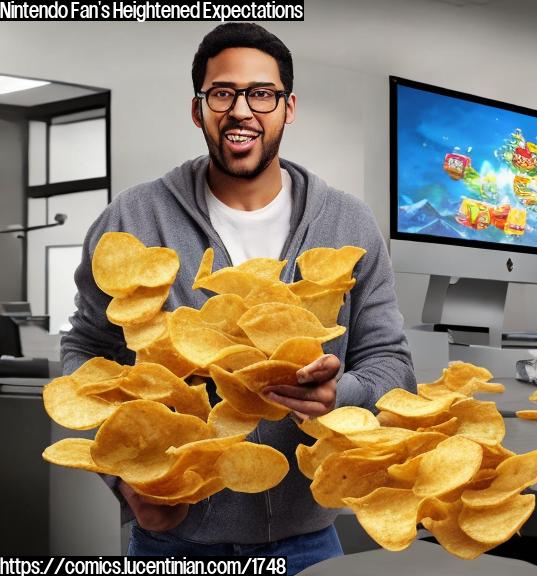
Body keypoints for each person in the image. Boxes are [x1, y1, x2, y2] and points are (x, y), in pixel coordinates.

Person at [60, 23, 416, 574]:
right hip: (172, 543)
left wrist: (340, 392)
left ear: (288, 106)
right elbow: (87, 350)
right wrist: (123, 476)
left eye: (262, 93)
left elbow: (392, 363)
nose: (241, 110)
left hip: (309, 542)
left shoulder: (349, 223)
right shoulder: (133, 219)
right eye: (222, 93)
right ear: (198, 109)